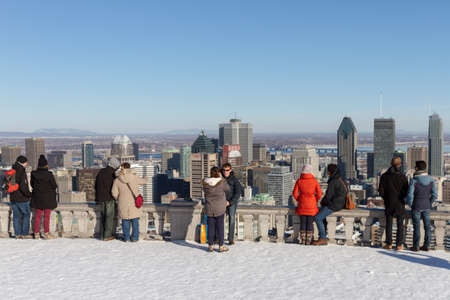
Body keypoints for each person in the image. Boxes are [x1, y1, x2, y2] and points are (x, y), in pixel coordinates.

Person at [405, 160, 437, 252]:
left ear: (417, 168)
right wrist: (429, 203)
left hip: (416, 206)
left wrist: (411, 204)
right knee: (427, 227)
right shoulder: (431, 180)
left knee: (417, 227)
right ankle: (426, 245)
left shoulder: (414, 180)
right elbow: (434, 194)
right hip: (426, 206)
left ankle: (416, 246)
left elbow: (410, 195)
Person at [378, 157, 409, 250]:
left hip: (389, 202)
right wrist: (402, 198)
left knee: (389, 224)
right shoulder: (403, 176)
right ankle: (399, 245)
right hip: (400, 203)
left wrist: (386, 198)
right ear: (400, 165)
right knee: (400, 225)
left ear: (391, 164)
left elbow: (381, 191)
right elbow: (406, 191)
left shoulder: (384, 176)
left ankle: (389, 244)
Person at [111, 163, 147, 242]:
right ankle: (134, 238)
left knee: (125, 220)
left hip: (122, 202)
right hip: (134, 202)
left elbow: (114, 193)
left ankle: (126, 237)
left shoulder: (117, 180)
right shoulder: (134, 177)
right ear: (129, 168)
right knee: (135, 221)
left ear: (122, 168)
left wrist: (119, 198)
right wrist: (145, 177)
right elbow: (145, 181)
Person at [312, 164, 346, 246]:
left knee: (317, 217)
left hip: (335, 204)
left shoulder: (333, 181)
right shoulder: (338, 179)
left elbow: (329, 196)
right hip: (339, 203)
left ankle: (323, 238)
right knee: (321, 216)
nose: (327, 172)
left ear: (330, 172)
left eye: (328, 170)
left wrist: (323, 202)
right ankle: (323, 235)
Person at [292, 164, 323, 245]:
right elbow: (319, 193)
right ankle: (308, 240)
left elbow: (294, 194)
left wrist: (300, 199)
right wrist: (314, 199)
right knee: (309, 223)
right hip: (312, 205)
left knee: (302, 223)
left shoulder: (299, 181)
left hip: (302, 205)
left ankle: (303, 240)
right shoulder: (314, 181)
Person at [203, 166, 230, 252]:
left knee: (210, 227)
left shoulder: (205, 183)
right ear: (218, 173)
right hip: (220, 208)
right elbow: (228, 189)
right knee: (220, 227)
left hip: (209, 207)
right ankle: (221, 246)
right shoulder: (222, 182)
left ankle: (210, 245)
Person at [30, 155, 58, 239]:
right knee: (47, 216)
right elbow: (54, 185)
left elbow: (32, 185)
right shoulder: (49, 174)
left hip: (37, 198)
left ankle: (36, 233)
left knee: (38, 216)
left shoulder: (33, 174)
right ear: (46, 165)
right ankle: (46, 233)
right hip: (48, 198)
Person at [95, 157, 121, 241]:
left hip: (100, 198)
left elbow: (96, 185)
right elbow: (114, 187)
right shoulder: (112, 174)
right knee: (109, 216)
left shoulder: (101, 171)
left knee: (103, 216)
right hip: (109, 198)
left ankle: (102, 235)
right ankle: (107, 235)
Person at [10, 155, 33, 239]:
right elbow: (23, 186)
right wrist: (29, 194)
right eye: (26, 162)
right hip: (22, 198)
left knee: (16, 216)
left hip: (13, 197)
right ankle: (24, 233)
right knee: (26, 214)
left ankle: (17, 234)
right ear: (23, 162)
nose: (27, 164)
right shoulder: (21, 171)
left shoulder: (12, 170)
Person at [221, 163, 242, 245]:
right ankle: (220, 237)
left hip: (231, 203)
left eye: (227, 170)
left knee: (232, 219)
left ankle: (231, 239)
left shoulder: (234, 180)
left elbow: (238, 192)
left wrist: (230, 202)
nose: (225, 172)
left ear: (230, 170)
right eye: (224, 170)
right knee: (220, 220)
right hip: (221, 202)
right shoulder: (220, 178)